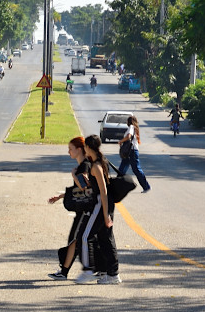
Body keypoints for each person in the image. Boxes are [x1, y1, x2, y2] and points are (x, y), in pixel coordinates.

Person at [46, 136, 95, 280]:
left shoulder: (84, 165)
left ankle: (68, 271)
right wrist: (61, 196)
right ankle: (64, 271)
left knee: (76, 239)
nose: (68, 152)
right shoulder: (82, 164)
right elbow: (77, 189)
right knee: (75, 240)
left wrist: (74, 175)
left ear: (79, 149)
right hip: (83, 209)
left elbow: (85, 186)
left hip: (86, 210)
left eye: (70, 149)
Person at [76, 134, 120, 284]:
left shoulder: (96, 166)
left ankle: (88, 270)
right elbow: (97, 186)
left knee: (84, 236)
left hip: (101, 204)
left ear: (88, 147)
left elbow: (103, 191)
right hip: (104, 204)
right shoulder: (100, 162)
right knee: (105, 239)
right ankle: (113, 274)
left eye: (85, 148)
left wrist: (106, 214)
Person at [118, 116, 151, 192]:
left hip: (131, 151)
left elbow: (128, 136)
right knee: (122, 169)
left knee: (136, 169)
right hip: (131, 151)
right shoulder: (135, 128)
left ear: (129, 122)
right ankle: (117, 186)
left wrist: (121, 141)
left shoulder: (131, 127)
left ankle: (146, 186)